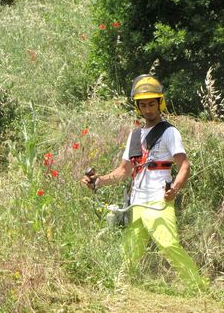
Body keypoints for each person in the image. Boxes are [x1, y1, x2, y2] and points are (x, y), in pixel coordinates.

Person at [81, 74, 207, 291]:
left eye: (151, 104)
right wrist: (97, 181)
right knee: (130, 251)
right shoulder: (135, 135)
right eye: (143, 105)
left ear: (160, 103)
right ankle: (122, 288)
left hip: (159, 200)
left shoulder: (169, 132)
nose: (148, 109)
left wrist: (174, 190)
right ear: (138, 107)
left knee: (168, 244)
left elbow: (184, 165)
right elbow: (123, 171)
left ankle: (198, 288)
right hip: (136, 202)